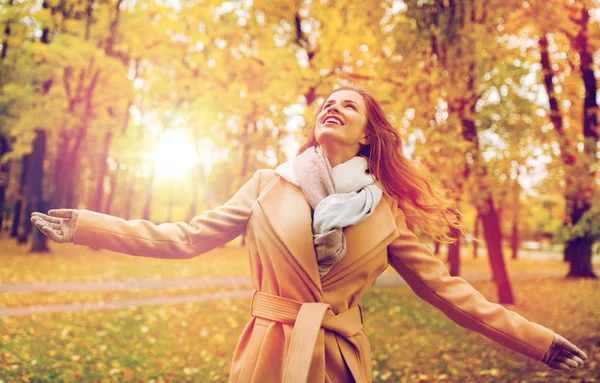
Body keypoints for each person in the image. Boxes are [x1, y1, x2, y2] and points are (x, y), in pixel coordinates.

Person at [32, 86, 587, 382]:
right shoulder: (267, 185)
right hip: (269, 355)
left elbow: (449, 293)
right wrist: (89, 226)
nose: (333, 107)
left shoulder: (386, 212)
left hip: (340, 360)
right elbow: (182, 237)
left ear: (368, 134)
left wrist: (537, 342)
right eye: (328, 102)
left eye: (349, 104)